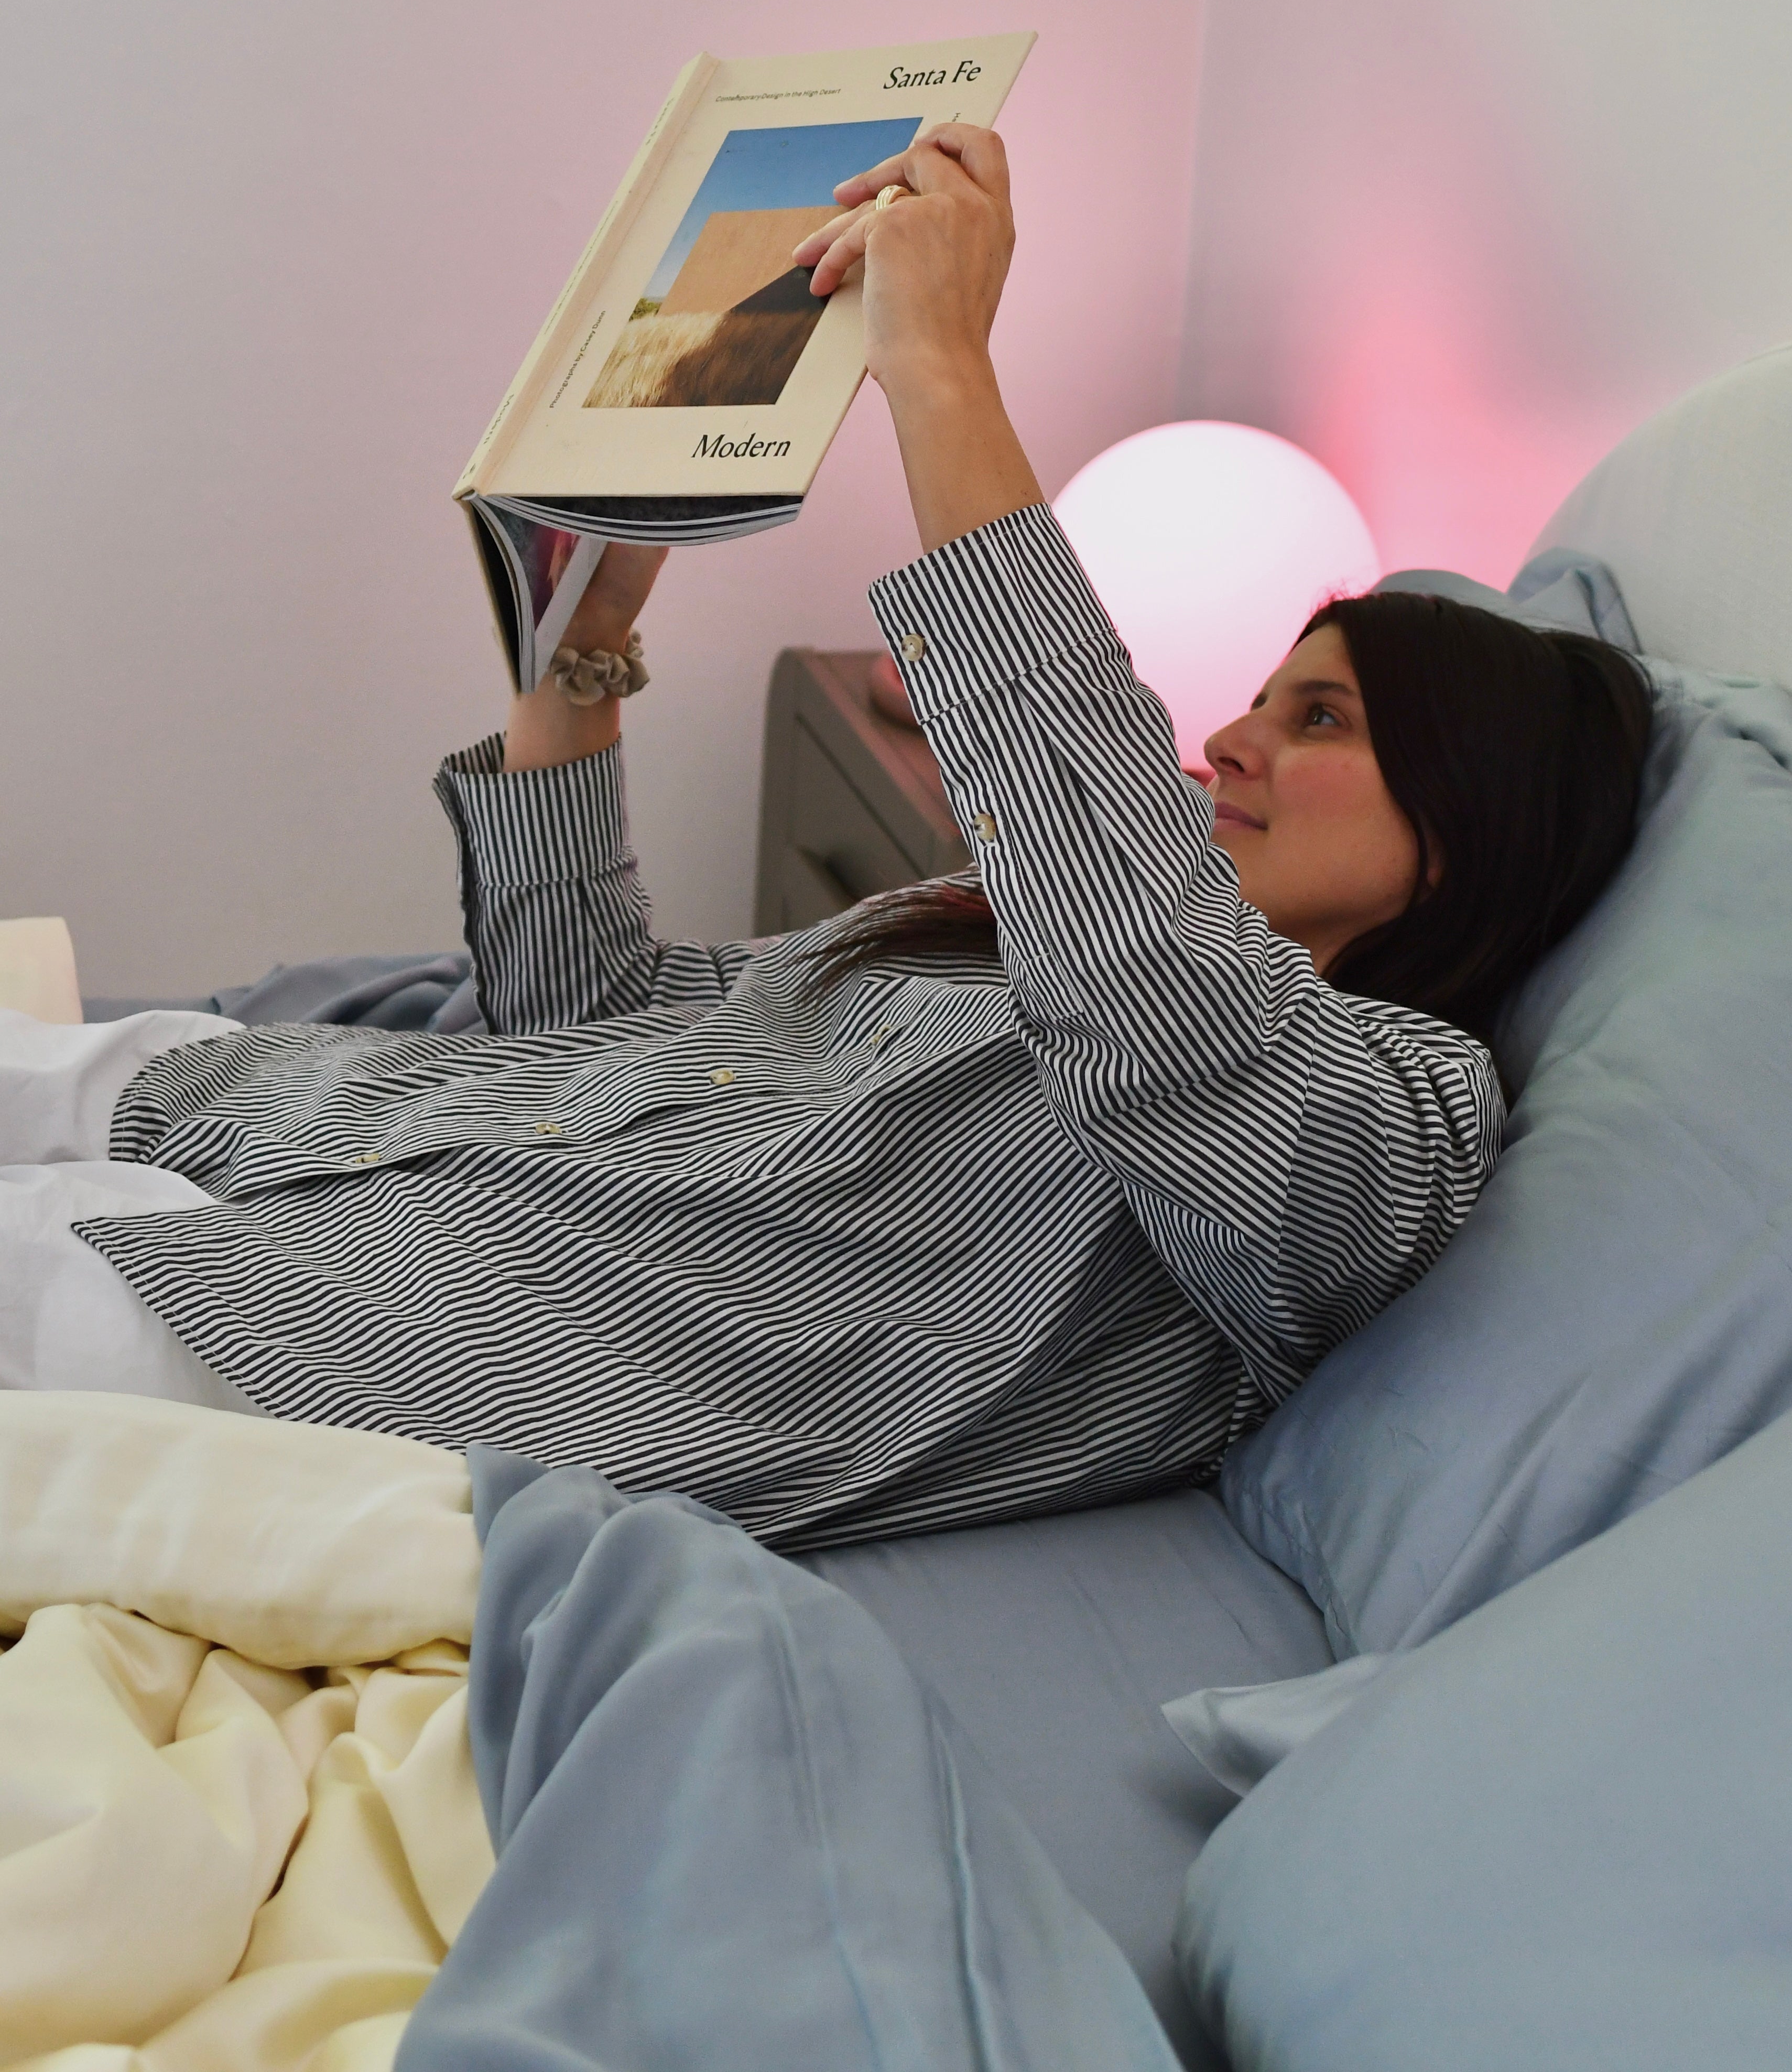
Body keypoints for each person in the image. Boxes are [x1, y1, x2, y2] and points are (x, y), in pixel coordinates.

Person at [0, 127, 1652, 1545]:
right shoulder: (973, 936)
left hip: (327, 1332)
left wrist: (940, 369)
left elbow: (1160, 998)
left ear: (1466, 827)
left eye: (1322, 720)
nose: (1233, 736)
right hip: (269, 1112)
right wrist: (579, 651)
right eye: (1266, 696)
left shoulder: (1396, 1128)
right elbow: (586, 1024)